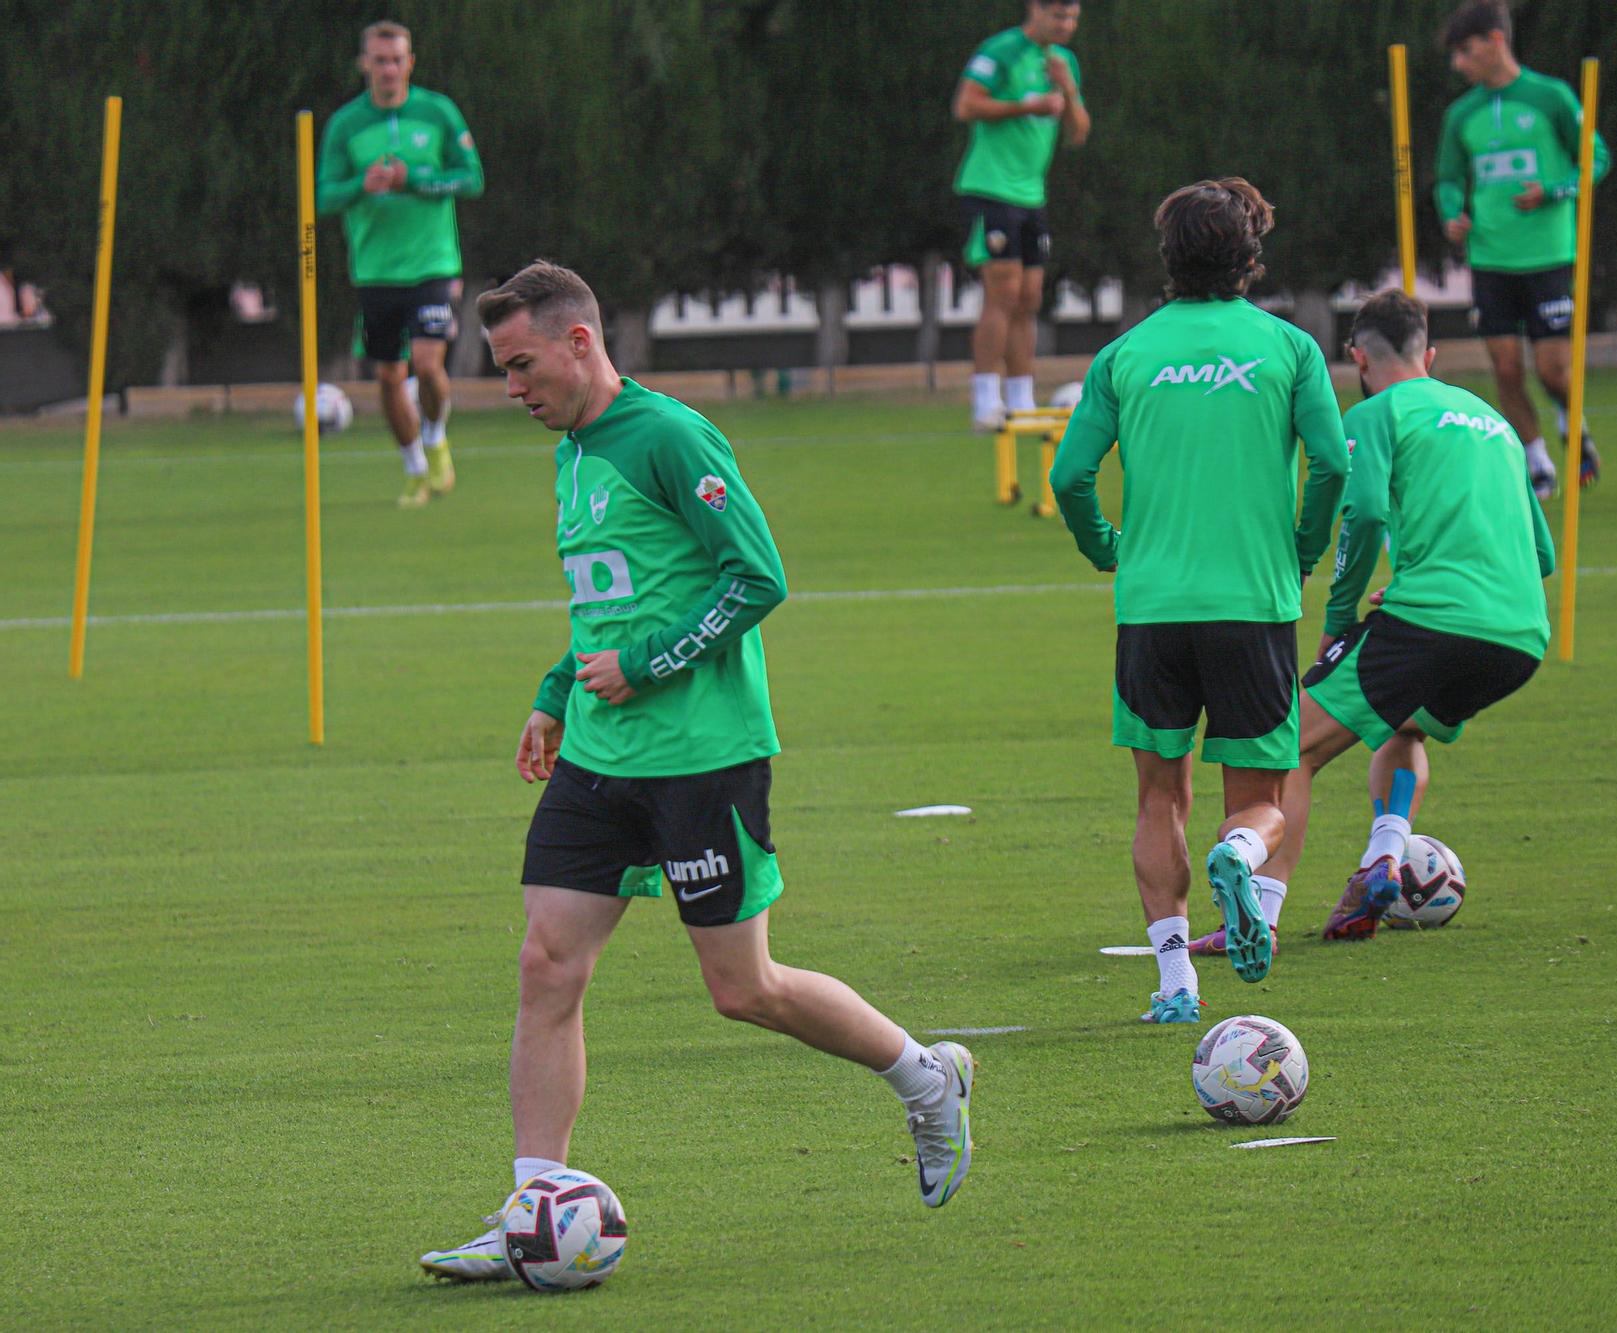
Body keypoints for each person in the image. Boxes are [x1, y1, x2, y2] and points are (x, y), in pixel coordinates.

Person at [419, 262, 975, 1281]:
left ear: (580, 341)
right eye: (500, 369)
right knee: (547, 965)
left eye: (520, 363)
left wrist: (646, 665)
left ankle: (923, 1075)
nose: (510, 387)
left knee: (742, 987)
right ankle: (532, 1206)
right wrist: (556, 688)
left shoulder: (669, 436)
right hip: (598, 755)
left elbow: (754, 576)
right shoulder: (573, 453)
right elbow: (607, 601)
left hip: (702, 760)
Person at [1050, 179, 1347, 1024]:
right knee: (1259, 798)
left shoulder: (1126, 354)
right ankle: (1243, 853)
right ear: (1250, 257)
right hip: (1252, 603)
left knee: (1158, 797)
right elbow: (1332, 464)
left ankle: (1176, 981)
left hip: (1151, 607)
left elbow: (1069, 474)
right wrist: (1301, 549)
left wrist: (1107, 546)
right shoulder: (1289, 349)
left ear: (1168, 259)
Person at [1252, 290, 1553, 943]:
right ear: (1431, 354)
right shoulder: (1496, 422)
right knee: (1405, 724)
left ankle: (1259, 917)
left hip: (1435, 619)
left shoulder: (1375, 411)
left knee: (1290, 745)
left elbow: (1363, 514)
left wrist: (1338, 620)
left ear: (1358, 356)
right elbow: (1544, 552)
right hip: (1521, 636)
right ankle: (1383, 857)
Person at [1435, 0, 1610, 499]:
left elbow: (1596, 157)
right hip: (1490, 259)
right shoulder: (1461, 115)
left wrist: (1554, 190)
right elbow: (1448, 180)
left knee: (1554, 372)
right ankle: (1538, 465)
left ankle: (1572, 424)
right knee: (1506, 370)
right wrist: (1453, 214)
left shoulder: (1548, 96)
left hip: (1548, 255)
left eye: (1465, 52)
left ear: (1495, 41)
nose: (1458, 65)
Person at [318, 19, 484, 509]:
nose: (388, 69)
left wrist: (415, 181)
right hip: (374, 271)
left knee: (429, 366)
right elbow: (323, 194)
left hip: (432, 263)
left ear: (409, 63)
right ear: (364, 64)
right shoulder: (346, 125)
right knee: (389, 377)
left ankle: (435, 435)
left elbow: (471, 178)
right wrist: (359, 187)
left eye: (396, 59)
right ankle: (414, 466)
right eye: (379, 60)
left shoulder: (437, 112)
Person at [953, 0, 1090, 431]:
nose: (1066, 25)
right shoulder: (1001, 51)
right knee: (1003, 295)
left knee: (1030, 298)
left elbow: (1078, 132)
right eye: (1058, 16)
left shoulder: (1063, 62)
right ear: (1035, 9)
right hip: (991, 189)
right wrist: (1024, 107)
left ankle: (1021, 397)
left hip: (1032, 196)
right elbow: (967, 106)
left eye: (1072, 18)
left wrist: (1067, 92)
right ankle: (984, 402)